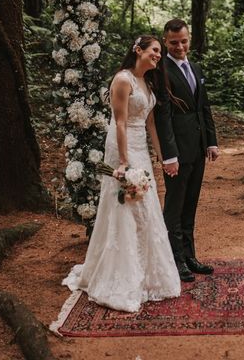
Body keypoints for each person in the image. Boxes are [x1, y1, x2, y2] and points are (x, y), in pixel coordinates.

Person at [62, 35, 181, 312]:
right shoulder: (123, 79)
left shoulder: (148, 82)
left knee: (146, 206)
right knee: (125, 206)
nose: (158, 56)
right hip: (122, 146)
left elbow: (150, 123)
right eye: (154, 50)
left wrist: (161, 156)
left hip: (141, 147)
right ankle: (121, 276)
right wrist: (125, 161)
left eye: (160, 53)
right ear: (138, 49)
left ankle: (150, 276)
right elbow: (120, 121)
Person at [154, 18, 219, 283]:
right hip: (177, 153)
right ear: (165, 41)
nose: (179, 46)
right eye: (173, 42)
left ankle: (190, 255)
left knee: (190, 203)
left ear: (188, 38)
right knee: (175, 205)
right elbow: (163, 117)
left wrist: (211, 141)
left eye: (183, 41)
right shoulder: (161, 71)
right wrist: (169, 155)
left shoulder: (195, 67)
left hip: (198, 148)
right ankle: (175, 258)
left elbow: (203, 107)